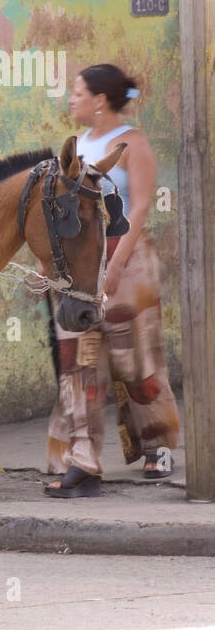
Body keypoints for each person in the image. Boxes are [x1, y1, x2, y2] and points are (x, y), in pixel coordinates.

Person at [44, 64, 181, 497]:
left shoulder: (133, 144)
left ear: (100, 100)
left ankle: (157, 445)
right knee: (78, 362)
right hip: (80, 267)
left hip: (128, 263)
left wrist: (118, 263)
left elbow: (139, 208)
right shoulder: (77, 146)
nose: (71, 98)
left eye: (78, 91)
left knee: (136, 361)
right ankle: (79, 459)